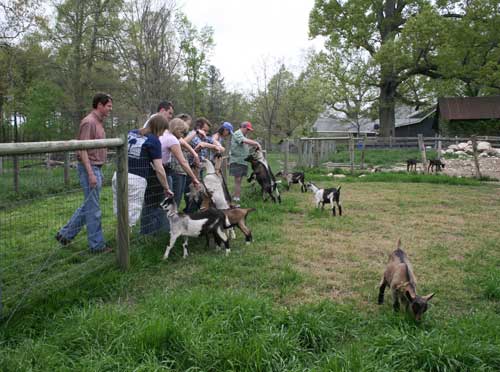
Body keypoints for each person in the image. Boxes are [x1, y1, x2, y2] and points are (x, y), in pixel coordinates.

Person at [56, 93, 113, 253]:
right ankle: (97, 246)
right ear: (99, 105)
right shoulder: (89, 122)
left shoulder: (99, 123)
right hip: (90, 168)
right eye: (108, 106)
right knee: (94, 210)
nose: (110, 109)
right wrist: (91, 173)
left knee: (89, 205)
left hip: (96, 168)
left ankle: (65, 234)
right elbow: (82, 149)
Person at [112, 113, 173, 227]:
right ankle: (125, 241)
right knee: (131, 214)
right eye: (162, 131)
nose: (162, 134)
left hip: (118, 174)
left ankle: (120, 237)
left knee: (120, 208)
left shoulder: (131, 133)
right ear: (159, 128)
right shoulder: (154, 141)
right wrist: (166, 187)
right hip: (136, 179)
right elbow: (159, 168)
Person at [229, 121, 261, 203]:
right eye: (247, 129)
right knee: (238, 179)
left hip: (243, 161)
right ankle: (236, 198)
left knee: (239, 180)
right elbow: (243, 140)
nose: (248, 131)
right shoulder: (237, 133)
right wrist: (256, 143)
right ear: (242, 127)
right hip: (237, 160)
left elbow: (244, 147)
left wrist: (253, 149)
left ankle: (236, 197)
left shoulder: (244, 135)